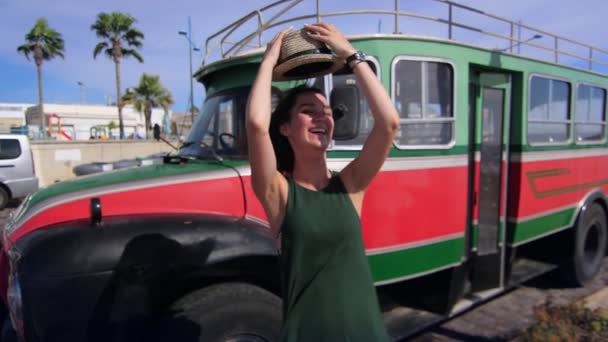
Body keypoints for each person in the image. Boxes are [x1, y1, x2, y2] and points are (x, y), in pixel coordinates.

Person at [246, 23, 399, 341]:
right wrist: (268, 62)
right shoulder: (279, 192)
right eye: (308, 111)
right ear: (286, 128)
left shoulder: (351, 185)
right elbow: (257, 124)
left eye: (327, 112)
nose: (321, 117)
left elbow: (389, 123)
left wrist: (352, 56)